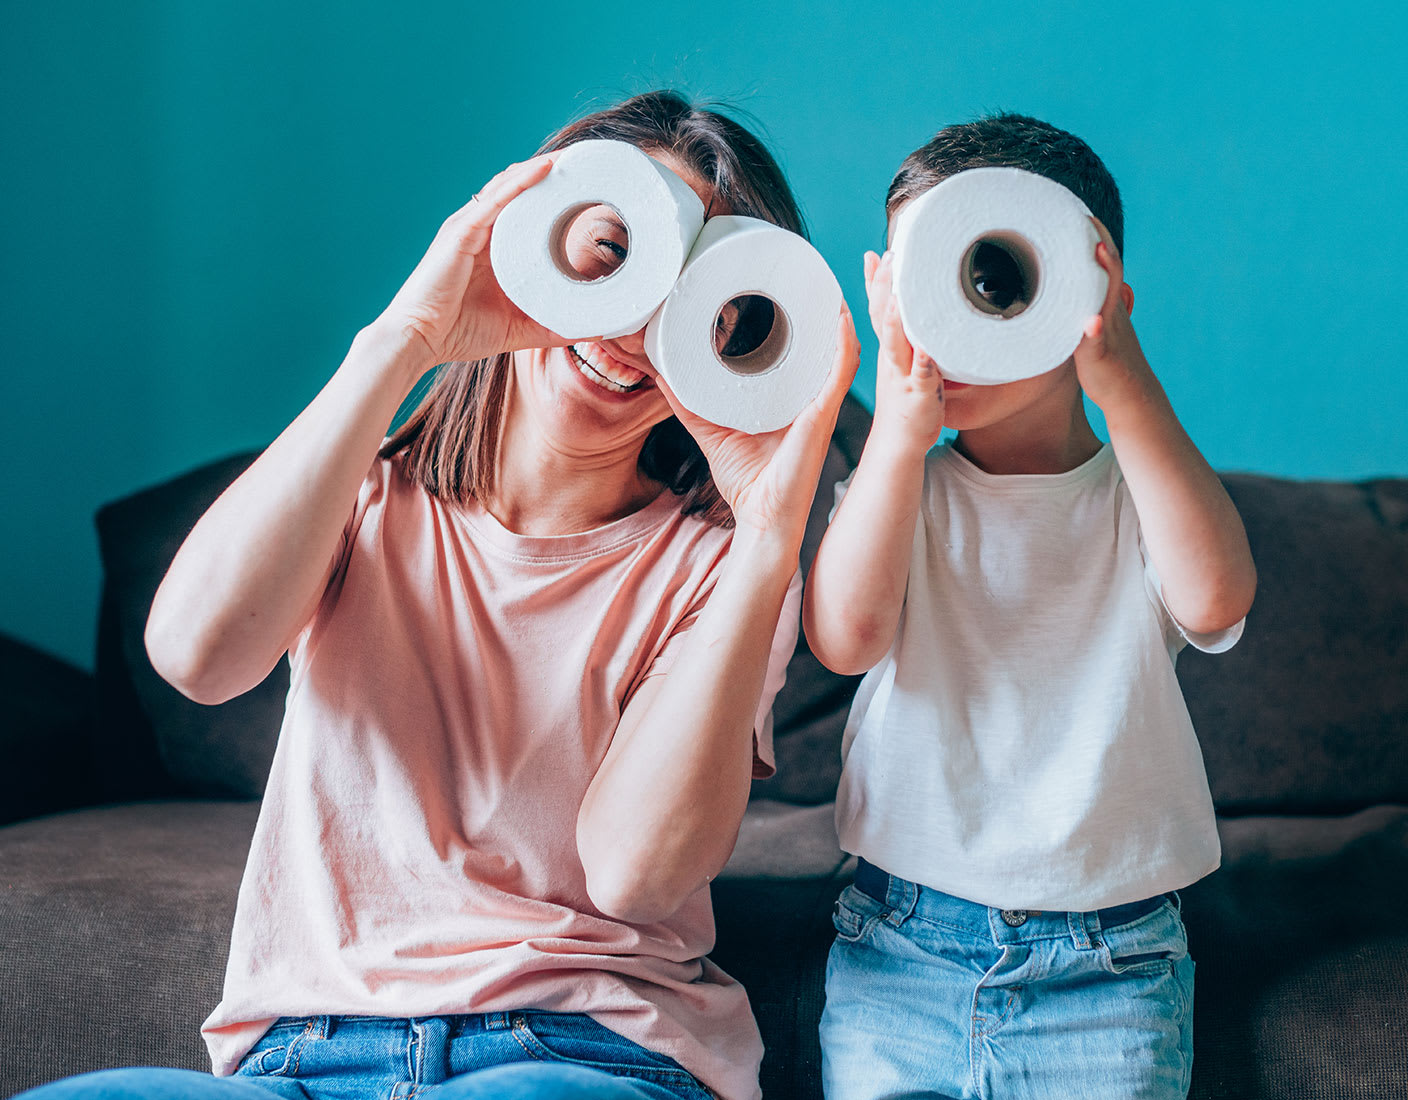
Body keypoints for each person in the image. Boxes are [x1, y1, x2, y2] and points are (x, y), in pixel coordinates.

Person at [20, 91, 859, 1100]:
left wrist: (769, 538)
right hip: (302, 1055)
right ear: (531, 241)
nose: (634, 325)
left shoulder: (717, 571)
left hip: (581, 1052)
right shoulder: (359, 492)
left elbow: (636, 871)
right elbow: (197, 655)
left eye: (695, 302)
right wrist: (405, 337)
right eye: (613, 256)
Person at [803, 113, 1257, 1100]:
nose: (953, 322)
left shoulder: (1142, 499)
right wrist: (894, 430)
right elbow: (845, 636)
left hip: (1108, 963)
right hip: (900, 949)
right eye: (927, 282)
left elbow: (1216, 595)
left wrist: (1124, 380)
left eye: (993, 280)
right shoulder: (899, 496)